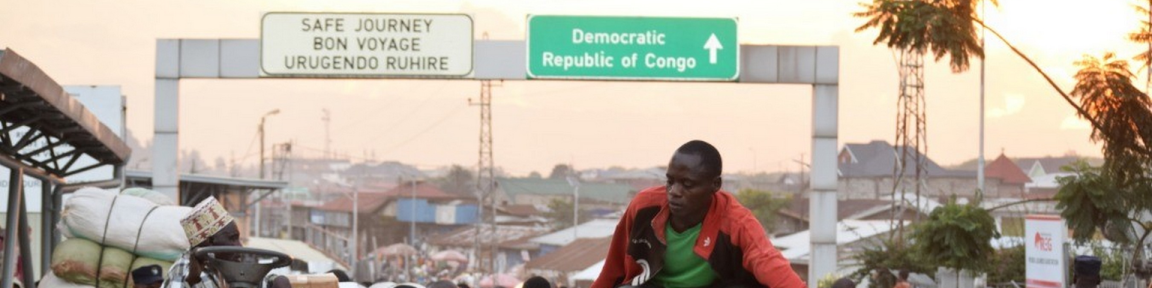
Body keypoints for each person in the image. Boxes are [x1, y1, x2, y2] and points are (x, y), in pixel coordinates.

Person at [591, 140, 805, 288]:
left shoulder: (737, 222)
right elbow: (612, 269)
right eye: (670, 181)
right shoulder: (644, 207)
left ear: (715, 185)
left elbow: (774, 269)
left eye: (687, 184)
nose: (674, 192)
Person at [162, 197, 290, 288]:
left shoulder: (224, 267)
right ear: (210, 243)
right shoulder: (184, 272)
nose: (239, 246)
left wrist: (277, 281)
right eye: (232, 239)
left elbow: (254, 280)